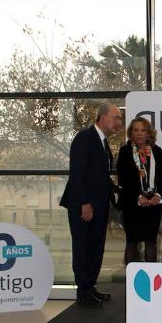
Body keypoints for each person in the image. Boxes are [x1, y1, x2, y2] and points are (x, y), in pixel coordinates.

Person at [60, 102, 122, 308]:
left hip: (100, 207)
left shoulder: (103, 142)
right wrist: (84, 203)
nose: (119, 123)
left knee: (96, 248)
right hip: (83, 206)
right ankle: (83, 292)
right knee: (83, 248)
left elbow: (100, 177)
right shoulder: (84, 138)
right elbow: (77, 174)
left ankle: (90, 287)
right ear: (103, 117)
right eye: (116, 118)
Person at [117, 117, 162, 265]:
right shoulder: (125, 151)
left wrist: (158, 195)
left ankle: (151, 285)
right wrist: (138, 197)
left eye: (143, 130)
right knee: (131, 243)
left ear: (148, 133)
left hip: (152, 205)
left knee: (150, 243)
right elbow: (123, 179)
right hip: (131, 205)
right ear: (131, 133)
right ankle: (130, 285)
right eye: (135, 130)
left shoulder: (157, 151)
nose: (139, 133)